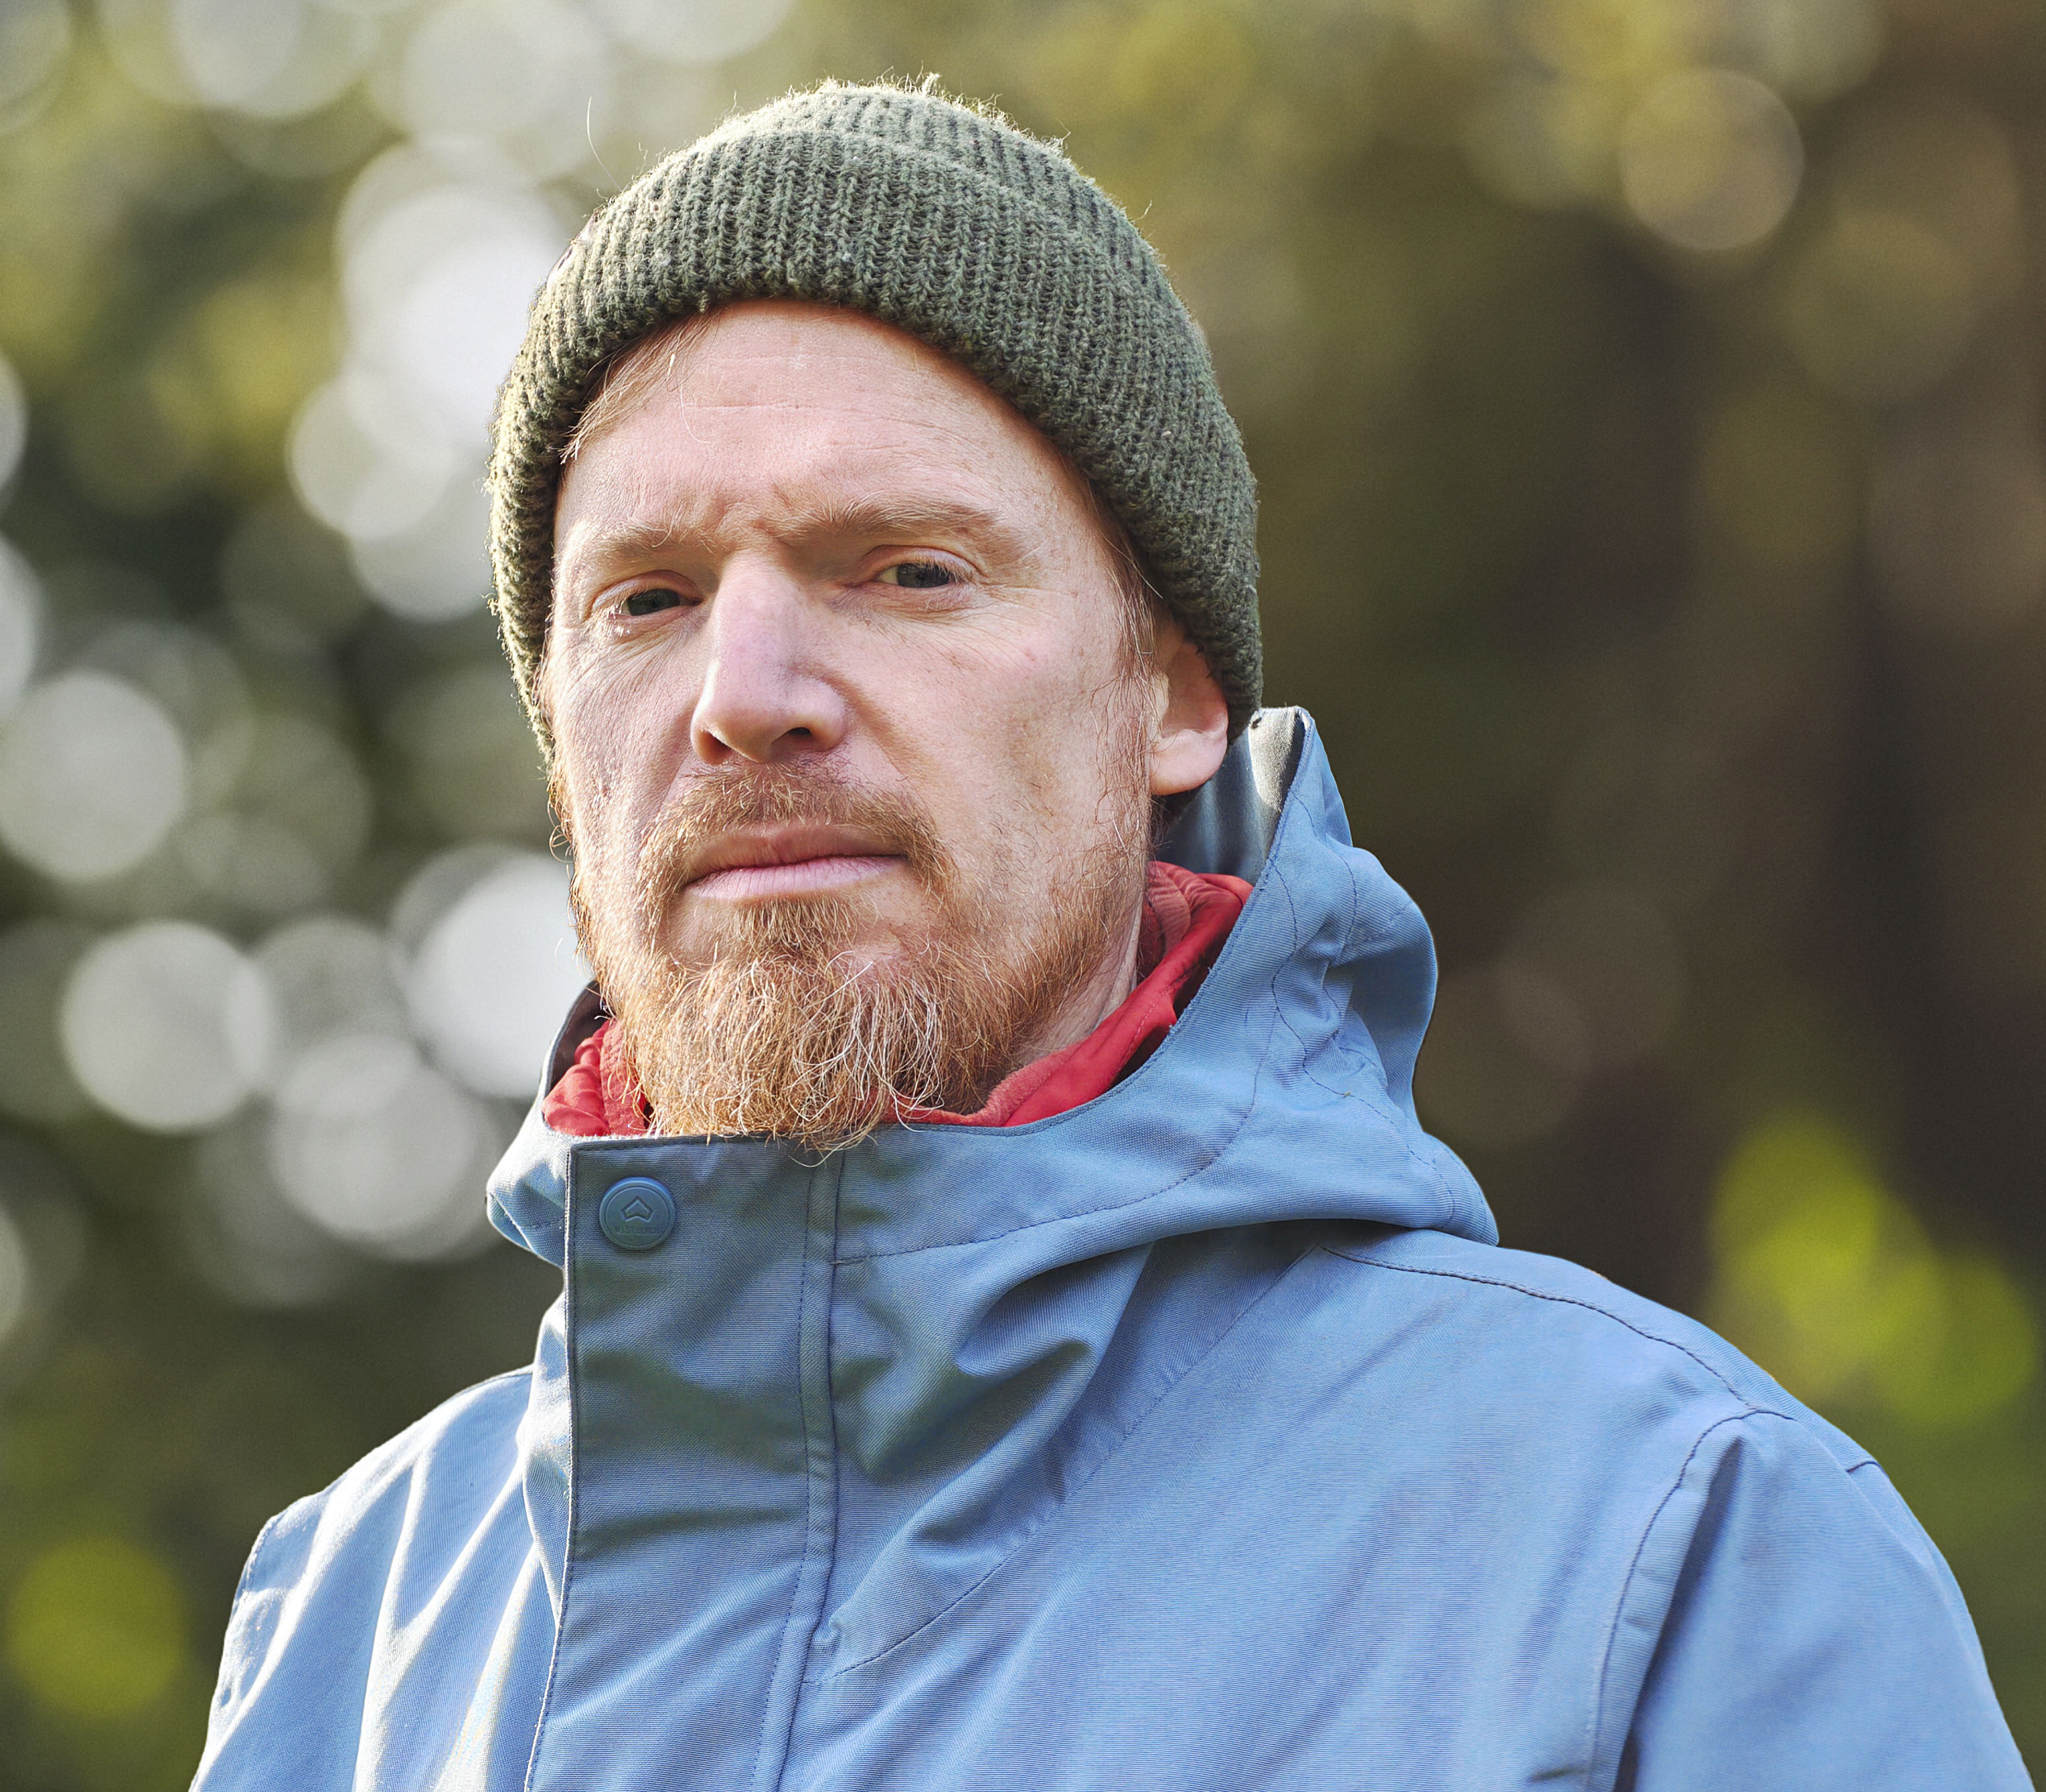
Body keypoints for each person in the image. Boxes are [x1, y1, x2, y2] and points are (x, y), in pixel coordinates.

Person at [192, 82, 2032, 1791]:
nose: (744, 696)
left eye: (905, 570)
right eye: (649, 599)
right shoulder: (344, 1630)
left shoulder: (1670, 1545)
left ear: (1170, 699)